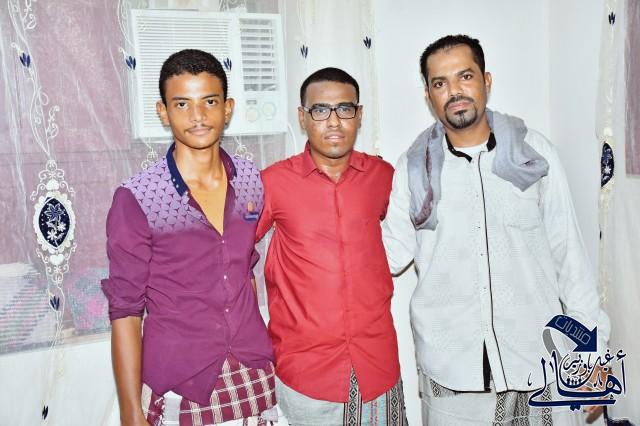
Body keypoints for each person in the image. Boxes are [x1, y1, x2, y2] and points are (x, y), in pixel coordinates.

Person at [381, 35, 611, 425]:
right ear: (429, 96)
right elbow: (390, 254)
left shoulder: (534, 154)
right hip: (451, 375)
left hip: (538, 364)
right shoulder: (413, 167)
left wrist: (591, 356)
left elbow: (570, 257)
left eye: (465, 76)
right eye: (440, 83)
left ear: (486, 80)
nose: (454, 91)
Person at [102, 49, 276, 426]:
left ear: (227, 108)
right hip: (181, 382)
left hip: (254, 374)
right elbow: (126, 311)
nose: (197, 116)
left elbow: (243, 267)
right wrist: (130, 411)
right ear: (163, 112)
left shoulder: (250, 179)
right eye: (182, 104)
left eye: (209, 101)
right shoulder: (138, 198)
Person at [256, 67, 407, 425]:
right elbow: (229, 255)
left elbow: (413, 236)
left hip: (377, 365)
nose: (334, 121)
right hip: (306, 373)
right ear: (302, 117)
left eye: (345, 109)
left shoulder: (383, 177)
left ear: (359, 114)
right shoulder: (273, 183)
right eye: (321, 110)